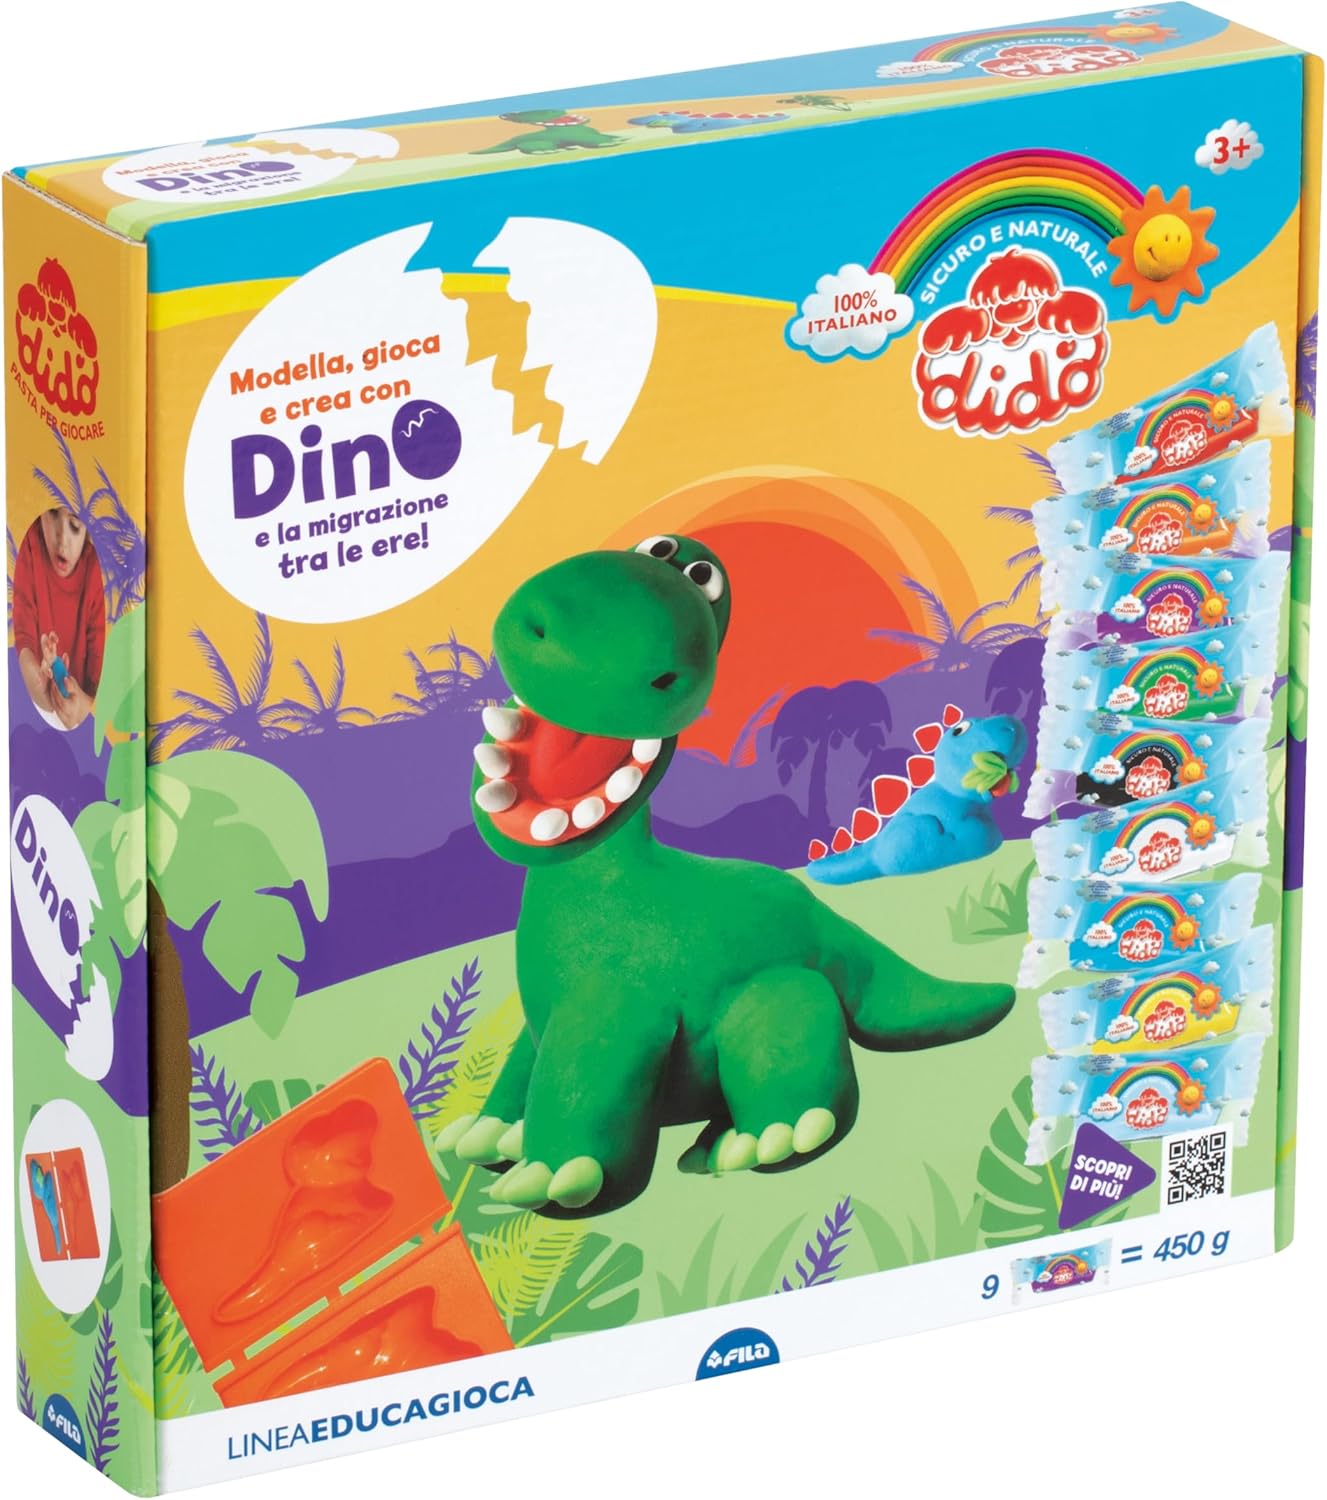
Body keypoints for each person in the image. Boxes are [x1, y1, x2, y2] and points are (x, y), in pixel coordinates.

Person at [12, 508, 105, 730]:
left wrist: (83, 707)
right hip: (39, 716)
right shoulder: (32, 544)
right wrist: (37, 683)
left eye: (74, 526)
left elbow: (101, 677)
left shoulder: (95, 570)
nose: (62, 541)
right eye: (53, 515)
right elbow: (22, 635)